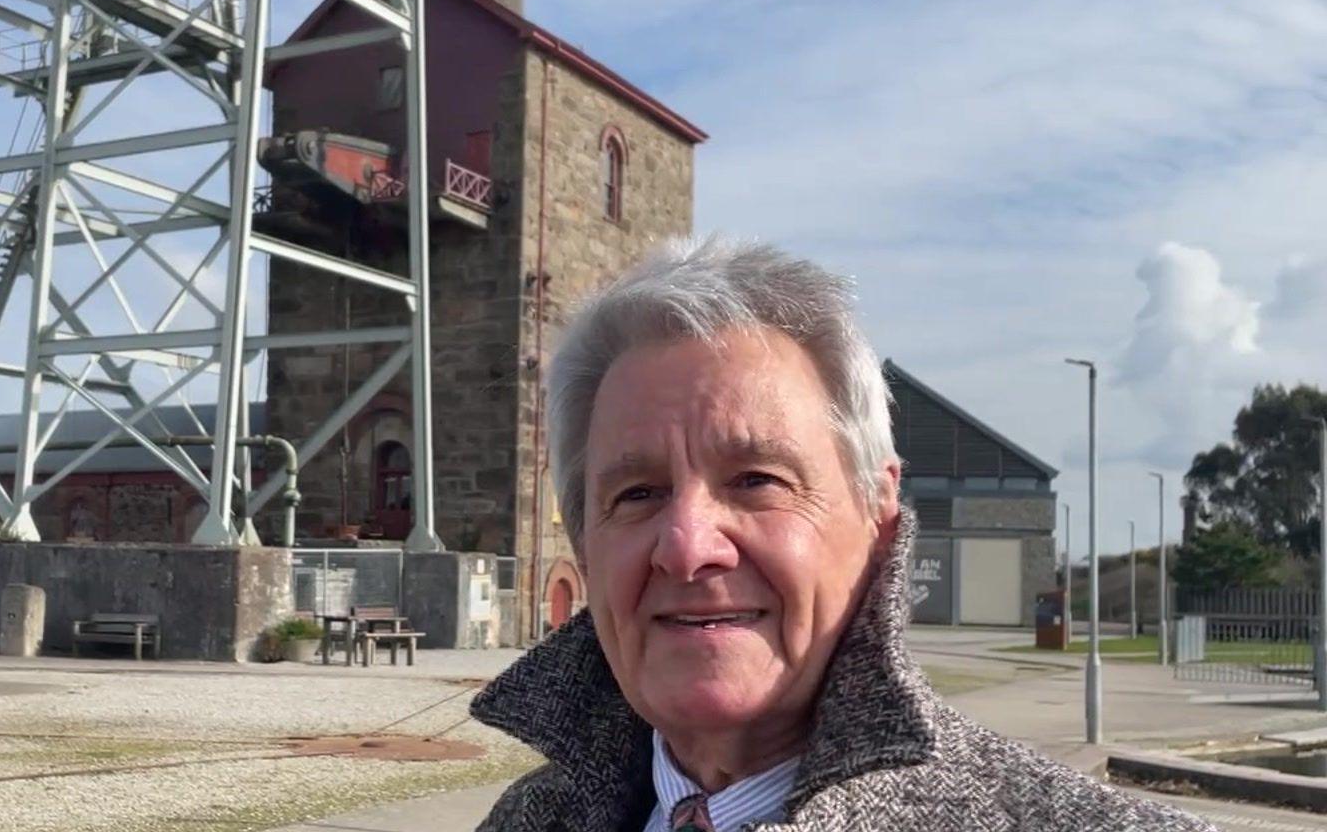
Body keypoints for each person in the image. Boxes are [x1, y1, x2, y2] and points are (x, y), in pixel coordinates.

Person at [471, 238, 1211, 831]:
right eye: (637, 494)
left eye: (756, 480)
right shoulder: (523, 819)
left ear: (878, 519)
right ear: (587, 557)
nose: (689, 545)